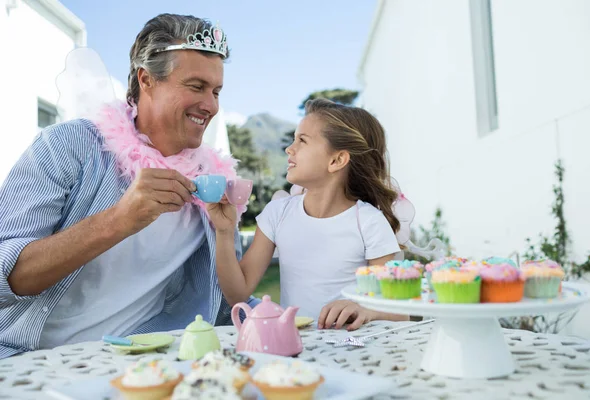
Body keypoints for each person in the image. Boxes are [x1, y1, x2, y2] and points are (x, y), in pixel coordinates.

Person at [0, 14, 256, 359]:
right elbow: (5, 279)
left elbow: (223, 304)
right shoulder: (67, 146)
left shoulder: (212, 181)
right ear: (146, 79)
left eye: (216, 91)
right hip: (32, 357)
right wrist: (118, 220)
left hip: (144, 363)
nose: (210, 105)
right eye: (196, 87)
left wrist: (317, 317)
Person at [208, 99, 408, 331]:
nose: (289, 149)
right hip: (294, 346)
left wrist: (365, 310)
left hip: (352, 344)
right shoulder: (278, 213)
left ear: (336, 160)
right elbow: (238, 294)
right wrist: (224, 231)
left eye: (302, 141)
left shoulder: (369, 222)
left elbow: (400, 313)